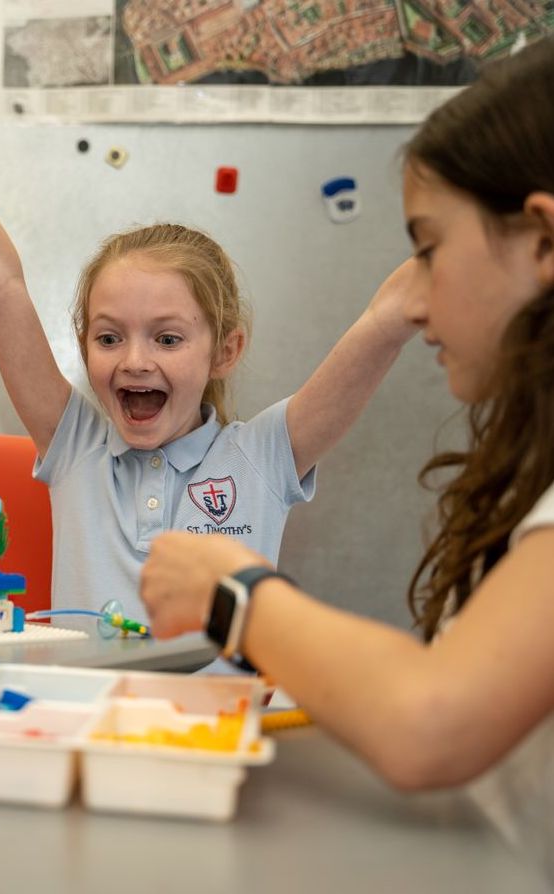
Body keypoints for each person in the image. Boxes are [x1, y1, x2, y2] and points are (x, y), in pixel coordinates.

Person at [140, 36, 554, 873]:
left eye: (429, 250)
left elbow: (427, 721)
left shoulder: (257, 450)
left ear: (541, 240)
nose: (419, 292)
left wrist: (233, 591)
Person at [0, 34, 416, 623]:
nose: (134, 360)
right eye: (109, 338)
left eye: (167, 338)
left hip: (211, 717)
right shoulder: (74, 446)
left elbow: (380, 324)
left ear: (226, 350)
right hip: (79, 716)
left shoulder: (263, 456)